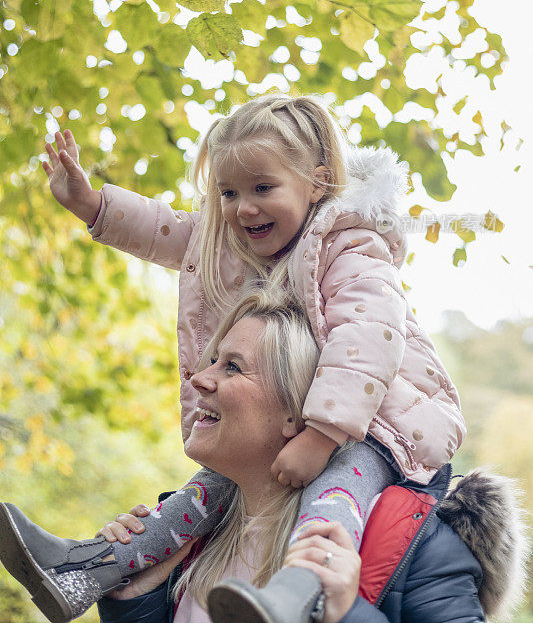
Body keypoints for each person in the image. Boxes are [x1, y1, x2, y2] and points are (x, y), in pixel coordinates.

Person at [0, 95, 466, 623]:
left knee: (336, 497)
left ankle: (298, 592)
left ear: (316, 183)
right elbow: (171, 230)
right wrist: (93, 206)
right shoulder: (239, 244)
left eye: (263, 188)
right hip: (298, 421)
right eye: (228, 192)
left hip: (379, 425)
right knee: (198, 495)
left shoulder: (350, 243)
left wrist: (322, 434)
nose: (243, 207)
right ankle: (90, 568)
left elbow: (371, 340)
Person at [86, 293, 524, 623]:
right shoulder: (194, 536)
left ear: (298, 413)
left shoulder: (417, 543)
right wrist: (136, 597)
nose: (199, 379)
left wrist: (347, 612)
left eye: (232, 367)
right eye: (211, 360)